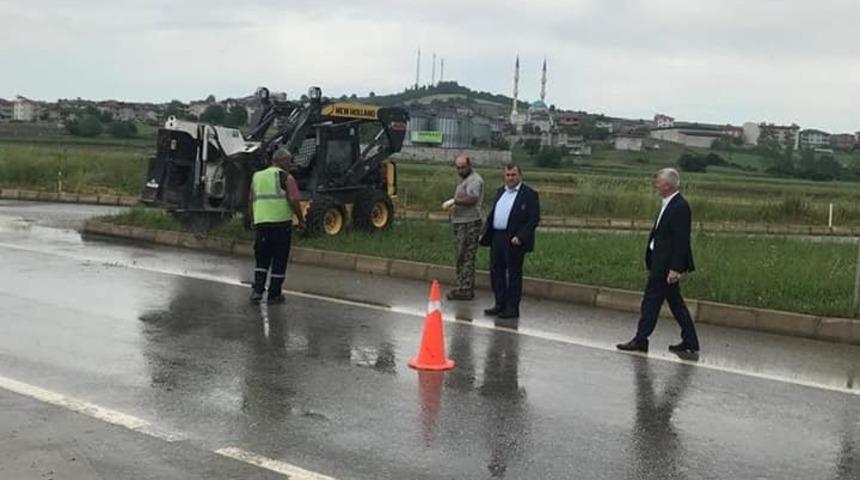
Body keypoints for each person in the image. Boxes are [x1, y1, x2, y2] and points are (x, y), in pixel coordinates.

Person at [617, 168, 700, 355]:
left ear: (668, 185)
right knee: (675, 303)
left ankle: (641, 339)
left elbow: (681, 240)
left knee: (651, 301)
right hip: (658, 260)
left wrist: (675, 268)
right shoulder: (667, 204)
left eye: (659, 182)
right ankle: (690, 341)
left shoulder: (680, 207)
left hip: (666, 264)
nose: (656, 185)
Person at [479, 163, 540, 326]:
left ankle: (512, 307)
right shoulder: (501, 192)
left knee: (513, 273)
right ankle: (500, 303)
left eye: (513, 175)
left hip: (514, 239)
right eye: (507, 175)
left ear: (520, 175)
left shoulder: (529, 194)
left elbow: (533, 218)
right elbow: (493, 214)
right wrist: (484, 232)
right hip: (497, 237)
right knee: (496, 271)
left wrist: (521, 236)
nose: (510, 178)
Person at [248, 149, 305, 304]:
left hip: (261, 224)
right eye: (288, 161)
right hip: (281, 225)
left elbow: (251, 199)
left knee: (261, 259)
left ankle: (257, 291)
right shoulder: (286, 177)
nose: (290, 164)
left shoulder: (257, 176)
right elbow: (294, 200)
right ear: (281, 161)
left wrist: (252, 219)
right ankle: (274, 294)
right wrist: (301, 219)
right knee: (279, 260)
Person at [443, 154, 485, 301]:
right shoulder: (465, 180)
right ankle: (462, 286)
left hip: (470, 222)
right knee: (461, 256)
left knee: (466, 256)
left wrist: (455, 201)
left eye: (463, 167)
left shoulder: (474, 180)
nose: (460, 170)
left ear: (469, 165)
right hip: (461, 222)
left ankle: (465, 289)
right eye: (458, 168)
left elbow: (473, 199)